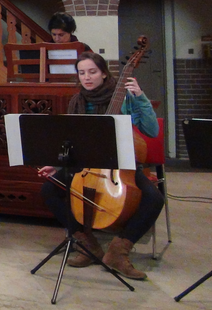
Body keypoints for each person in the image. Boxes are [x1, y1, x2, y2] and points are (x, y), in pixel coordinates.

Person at [38, 51, 163, 280]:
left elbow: (152, 131)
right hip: (86, 165)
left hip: (121, 167)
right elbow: (71, 140)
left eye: (92, 72)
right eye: (82, 72)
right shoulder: (77, 101)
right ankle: (87, 245)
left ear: (104, 73)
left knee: (154, 198)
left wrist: (140, 97)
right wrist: (57, 165)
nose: (87, 77)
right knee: (49, 189)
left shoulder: (125, 98)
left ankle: (119, 251)